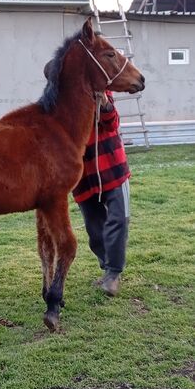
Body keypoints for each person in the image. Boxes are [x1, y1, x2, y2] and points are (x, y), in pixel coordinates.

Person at [72, 90, 130, 297]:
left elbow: (112, 123)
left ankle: (113, 274)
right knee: (94, 227)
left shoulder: (102, 89)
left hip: (112, 166)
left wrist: (104, 104)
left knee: (118, 219)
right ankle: (107, 267)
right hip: (82, 174)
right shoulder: (62, 96)